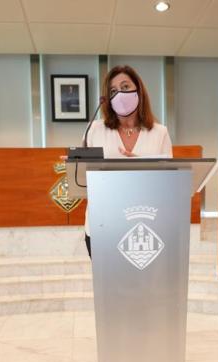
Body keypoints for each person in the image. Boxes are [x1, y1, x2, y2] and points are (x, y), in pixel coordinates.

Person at [83, 65, 173, 257]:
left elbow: (170, 183)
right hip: (103, 226)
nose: (120, 94)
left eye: (125, 87)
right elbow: (84, 177)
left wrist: (144, 167)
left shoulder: (160, 133)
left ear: (138, 89)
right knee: (108, 277)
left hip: (146, 227)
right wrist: (75, 164)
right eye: (113, 91)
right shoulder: (95, 130)